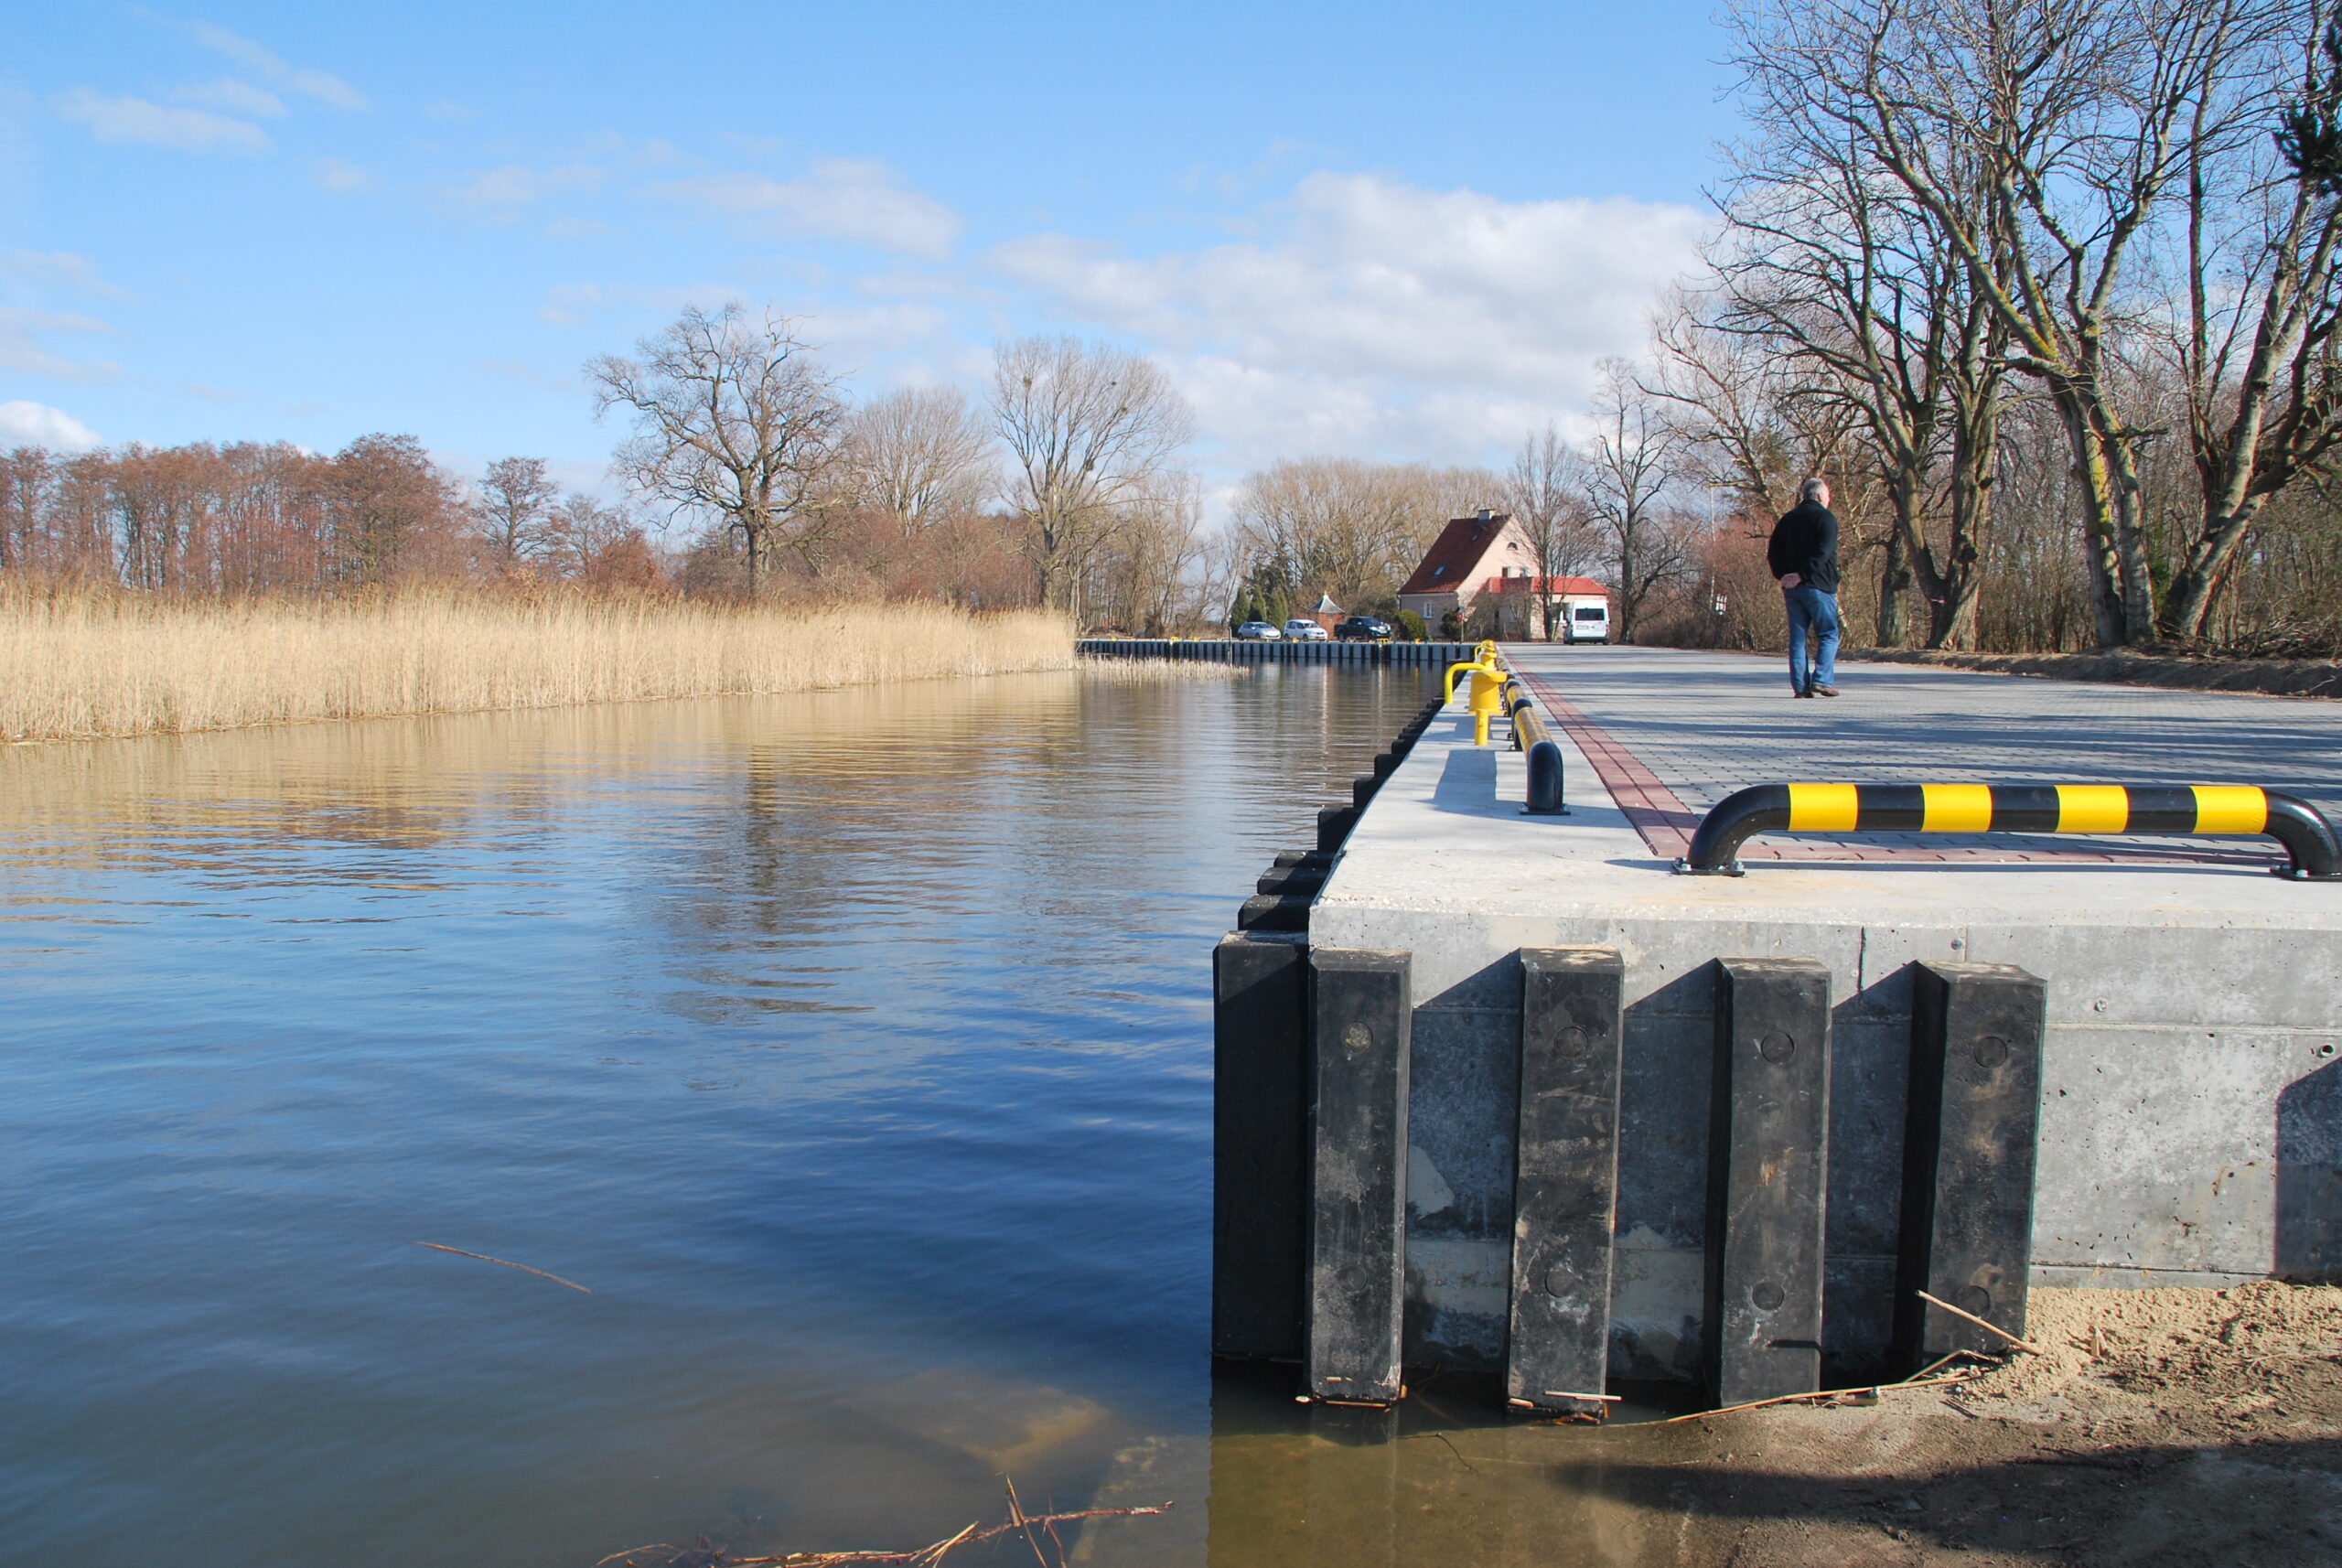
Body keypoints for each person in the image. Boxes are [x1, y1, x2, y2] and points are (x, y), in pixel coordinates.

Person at [1767, 478, 1842, 698]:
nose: (1829, 499)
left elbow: (1773, 552)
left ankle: (1800, 687)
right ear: (1819, 496)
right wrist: (1802, 575)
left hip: (1792, 589)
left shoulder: (1787, 520)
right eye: (1827, 495)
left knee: (1797, 639)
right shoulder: (1826, 519)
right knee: (1828, 634)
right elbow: (1823, 552)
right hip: (1819, 587)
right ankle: (1821, 680)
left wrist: (1784, 576)